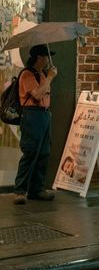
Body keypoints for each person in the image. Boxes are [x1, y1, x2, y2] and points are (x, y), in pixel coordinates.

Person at [13, 44, 58, 204]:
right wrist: (51, 77)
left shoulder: (42, 74)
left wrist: (48, 76)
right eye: (46, 56)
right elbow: (38, 95)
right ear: (39, 57)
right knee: (31, 152)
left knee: (44, 153)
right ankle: (20, 190)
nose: (48, 59)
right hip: (32, 115)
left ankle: (36, 189)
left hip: (44, 115)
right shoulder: (27, 74)